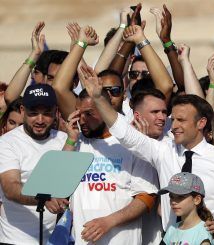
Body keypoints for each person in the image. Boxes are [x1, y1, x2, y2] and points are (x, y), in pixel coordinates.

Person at [80, 57, 214, 244]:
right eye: (173, 120)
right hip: (172, 238)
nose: (173, 126)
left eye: (181, 120)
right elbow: (125, 134)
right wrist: (99, 98)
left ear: (201, 123)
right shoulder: (164, 151)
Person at [52, 25, 158, 244]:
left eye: (89, 114)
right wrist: (71, 140)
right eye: (79, 114)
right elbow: (57, 189)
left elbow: (146, 197)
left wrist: (108, 222)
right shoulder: (76, 142)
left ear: (103, 110)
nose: (82, 119)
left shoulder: (132, 142)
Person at [0, 84, 69, 244]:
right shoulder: (7, 142)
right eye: (33, 113)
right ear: (23, 111)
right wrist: (44, 199)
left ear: (56, 112)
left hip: (57, 239)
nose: (40, 120)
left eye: (46, 114)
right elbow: (10, 187)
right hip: (15, 240)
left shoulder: (64, 140)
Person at [159, 172, 214, 245]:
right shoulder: (172, 229)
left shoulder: (203, 232)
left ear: (197, 200)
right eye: (171, 197)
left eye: (180, 196)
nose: (174, 202)